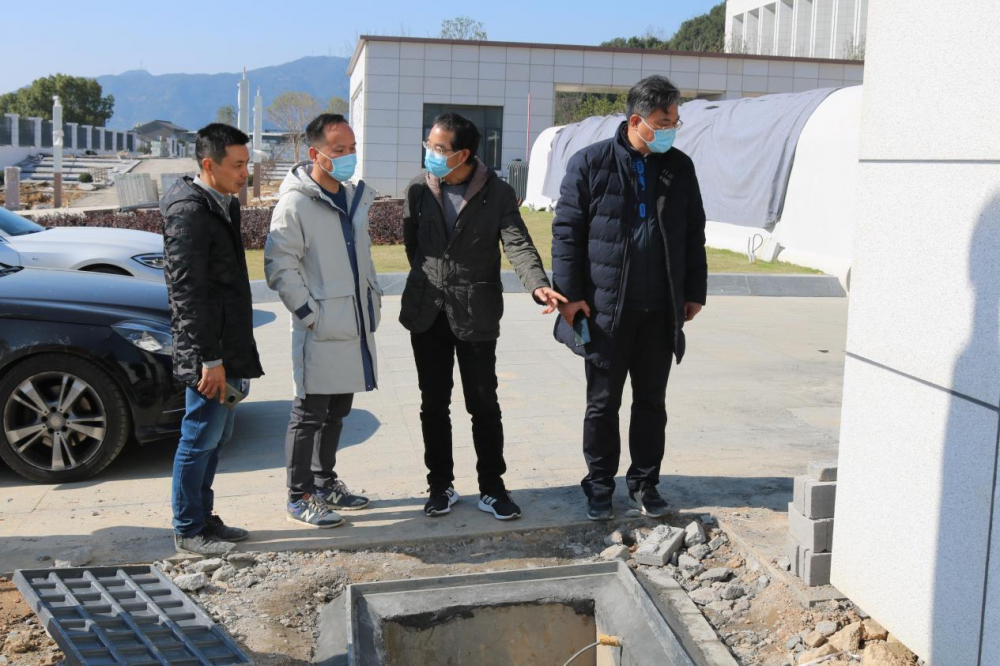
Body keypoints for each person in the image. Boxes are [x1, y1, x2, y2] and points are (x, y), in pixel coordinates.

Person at [551, 75, 708, 521]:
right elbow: (566, 233)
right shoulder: (590, 163)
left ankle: (644, 483)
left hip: (660, 310)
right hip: (605, 312)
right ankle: (599, 485)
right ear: (637, 121)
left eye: (675, 122)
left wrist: (693, 292)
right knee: (603, 404)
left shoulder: (680, 167)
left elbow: (693, 232)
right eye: (664, 122)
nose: (671, 130)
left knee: (651, 403)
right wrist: (570, 298)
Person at [401, 112, 566, 521]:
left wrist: (538, 284)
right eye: (429, 146)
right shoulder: (418, 189)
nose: (430, 154)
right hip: (427, 312)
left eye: (438, 149)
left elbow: (517, 243)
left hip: (475, 313)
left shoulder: (498, 193)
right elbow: (413, 246)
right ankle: (440, 486)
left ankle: (492, 488)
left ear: (463, 155)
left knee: (483, 404)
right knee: (433, 403)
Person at [265, 113, 379, 529]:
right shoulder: (296, 203)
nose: (349, 156)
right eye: (339, 150)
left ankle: (324, 482)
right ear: (316, 154)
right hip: (320, 327)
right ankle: (299, 496)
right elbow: (279, 264)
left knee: (337, 410)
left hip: (352, 324)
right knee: (309, 413)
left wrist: (371, 304)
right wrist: (309, 314)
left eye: (352, 148)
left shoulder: (352, 198)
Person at [162, 123, 264, 555]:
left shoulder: (223, 203)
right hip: (209, 352)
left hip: (227, 344)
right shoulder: (188, 212)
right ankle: (188, 529)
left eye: (247, 164)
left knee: (216, 438)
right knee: (199, 436)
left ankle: (203, 517)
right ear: (209, 164)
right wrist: (210, 359)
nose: (245, 174)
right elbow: (186, 293)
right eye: (237, 165)